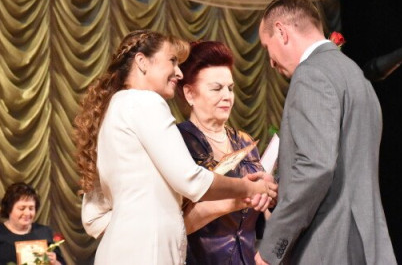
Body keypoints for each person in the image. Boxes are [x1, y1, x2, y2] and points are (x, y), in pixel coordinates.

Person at [77, 29, 277, 265]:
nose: (179, 72)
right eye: (172, 61)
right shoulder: (146, 102)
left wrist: (133, 224)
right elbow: (191, 180)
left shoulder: (118, 105)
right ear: (142, 62)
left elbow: (93, 217)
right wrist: (248, 189)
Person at [255, 0, 397, 265]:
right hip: (367, 245)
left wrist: (271, 248)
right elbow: (344, 166)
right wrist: (280, 188)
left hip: (329, 247)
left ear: (282, 32)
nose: (271, 63)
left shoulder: (310, 75)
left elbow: (315, 167)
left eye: (266, 47)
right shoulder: (356, 75)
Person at [176, 40, 275, 265]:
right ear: (190, 94)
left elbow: (261, 218)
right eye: (216, 88)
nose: (227, 96)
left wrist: (270, 195)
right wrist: (237, 200)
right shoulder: (177, 142)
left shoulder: (244, 141)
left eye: (230, 88)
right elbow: (174, 225)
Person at [0, 182, 65, 265]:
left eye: (31, 208)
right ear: (9, 209)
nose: (27, 213)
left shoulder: (45, 232)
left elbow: (61, 263)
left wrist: (55, 262)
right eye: (22, 208)